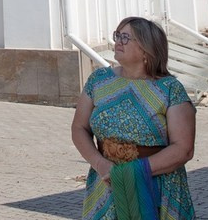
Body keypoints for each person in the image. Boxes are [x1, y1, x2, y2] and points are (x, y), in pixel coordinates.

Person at [71, 16, 196, 219]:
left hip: (157, 186)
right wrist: (100, 164)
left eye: (126, 37)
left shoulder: (170, 89)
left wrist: (130, 173)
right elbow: (79, 128)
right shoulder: (98, 80)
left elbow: (184, 148)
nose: (118, 41)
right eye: (117, 35)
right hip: (105, 182)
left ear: (146, 49)